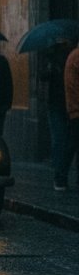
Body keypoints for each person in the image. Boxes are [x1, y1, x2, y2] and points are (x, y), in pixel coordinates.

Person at [42, 40, 74, 191]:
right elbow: (43, 77)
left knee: (67, 141)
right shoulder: (52, 59)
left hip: (66, 104)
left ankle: (60, 173)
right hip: (58, 105)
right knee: (61, 140)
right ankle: (59, 173)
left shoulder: (71, 57)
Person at [64, 41, 79, 191]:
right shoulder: (77, 57)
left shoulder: (72, 56)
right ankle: (60, 177)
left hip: (74, 109)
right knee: (71, 146)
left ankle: (61, 177)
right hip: (77, 109)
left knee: (73, 145)